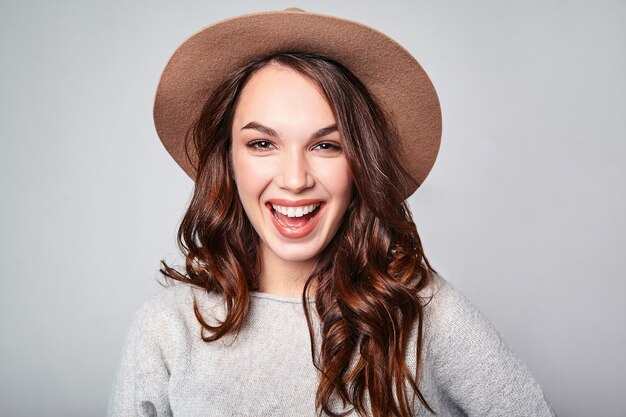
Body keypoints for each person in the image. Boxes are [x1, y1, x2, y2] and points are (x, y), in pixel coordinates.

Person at [107, 8, 556, 417]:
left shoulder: (422, 313)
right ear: (229, 159)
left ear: (358, 161)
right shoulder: (167, 328)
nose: (295, 178)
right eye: (262, 143)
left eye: (325, 145)